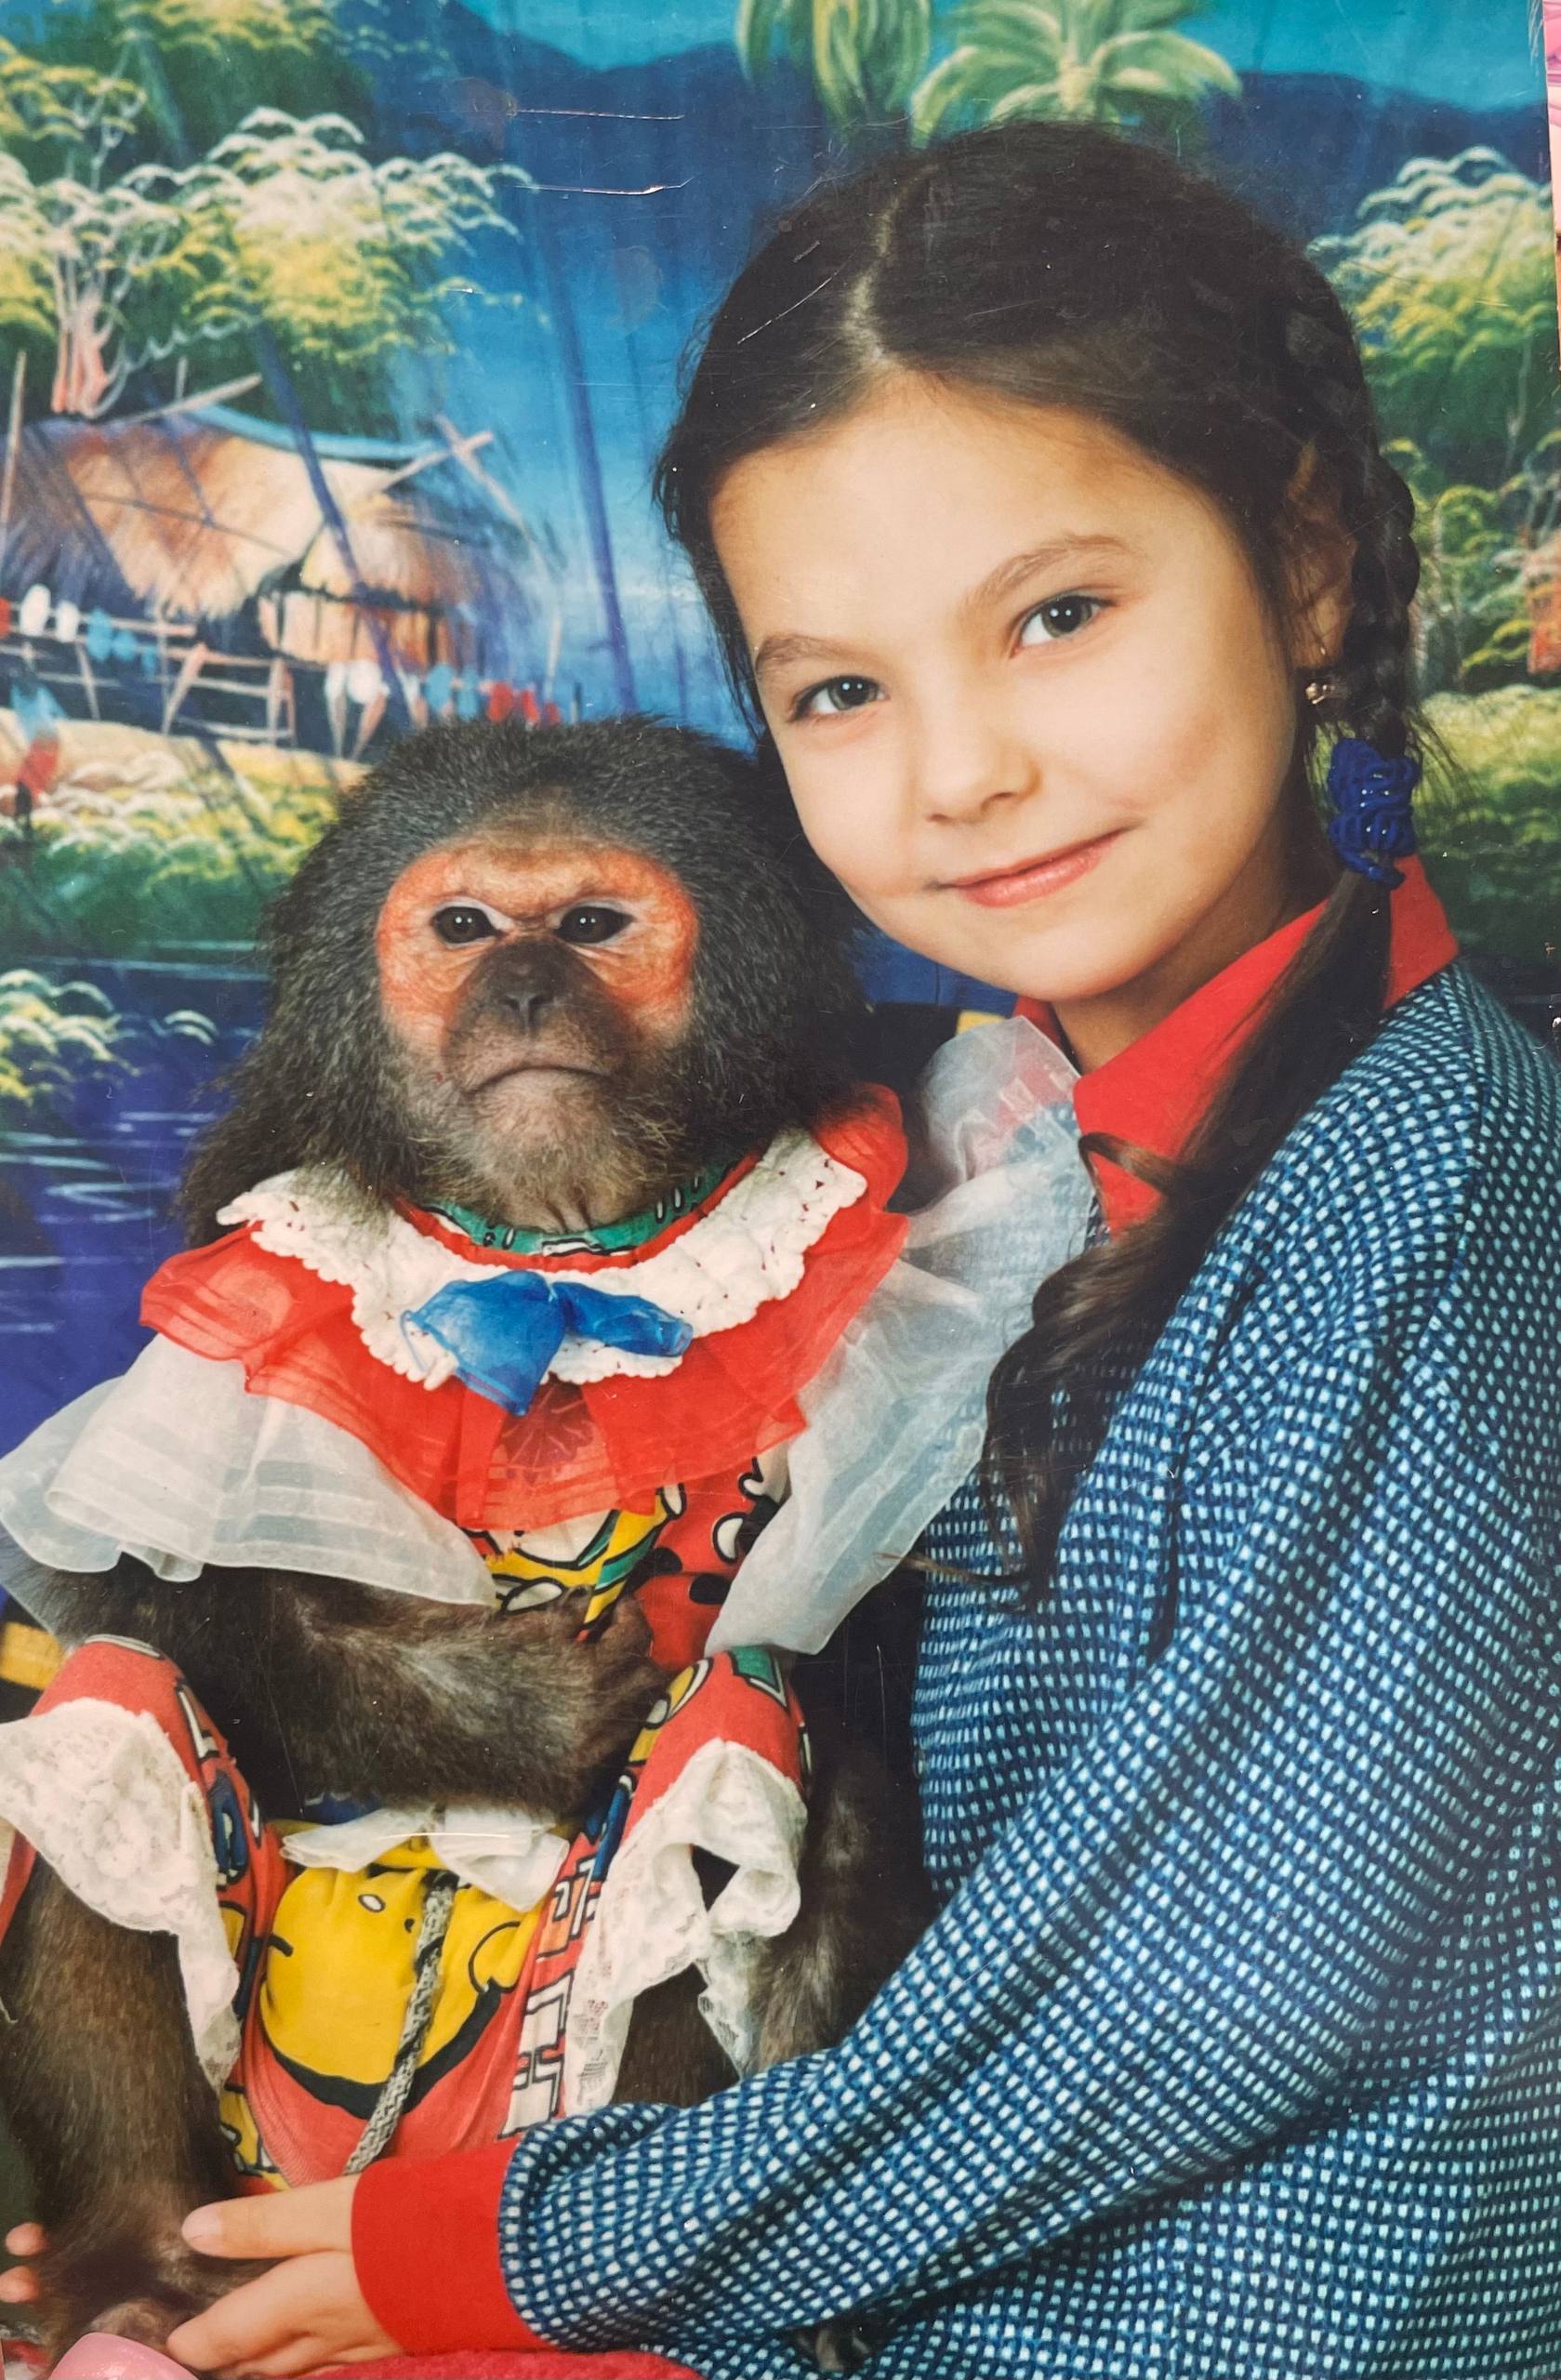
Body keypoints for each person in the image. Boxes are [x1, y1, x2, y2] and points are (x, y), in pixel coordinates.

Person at [10, 120, 1561, 2379]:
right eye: (840, 689)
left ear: (1306, 564)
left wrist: (507, 2245)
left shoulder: (1448, 1188)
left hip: (1246, 2321)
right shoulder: (989, 1150)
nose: (961, 773)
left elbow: (1210, 1990)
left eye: (1059, 615)